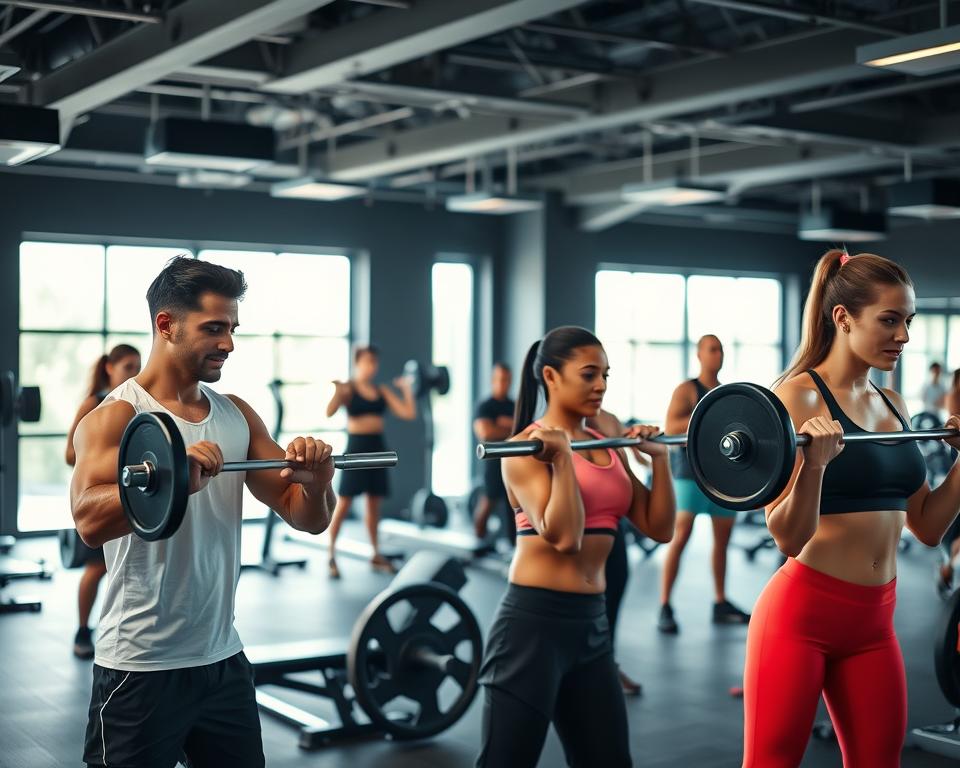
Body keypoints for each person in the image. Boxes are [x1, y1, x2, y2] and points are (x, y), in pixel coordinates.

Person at [70, 256, 339, 768]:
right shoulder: (118, 417)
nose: (229, 343)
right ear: (166, 325)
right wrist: (171, 481)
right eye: (214, 328)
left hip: (223, 660)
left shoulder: (235, 413)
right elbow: (87, 520)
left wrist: (318, 482)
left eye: (232, 328)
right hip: (140, 665)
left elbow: (307, 516)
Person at [741, 249, 960, 767]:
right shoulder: (796, 398)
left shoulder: (894, 405)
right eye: (889, 320)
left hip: (874, 625)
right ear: (843, 318)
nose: (903, 336)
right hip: (800, 618)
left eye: (908, 321)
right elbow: (787, 537)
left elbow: (927, 526)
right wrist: (814, 465)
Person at [476, 326, 676, 768]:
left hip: (591, 626)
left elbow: (659, 527)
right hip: (532, 627)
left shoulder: (608, 445)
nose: (600, 385)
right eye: (589, 375)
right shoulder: (522, 450)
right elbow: (565, 538)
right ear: (551, 376)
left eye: (606, 375)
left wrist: (660, 461)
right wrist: (563, 459)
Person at [658, 335, 750, 634]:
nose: (717, 354)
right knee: (681, 536)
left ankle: (720, 601)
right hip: (689, 473)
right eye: (711, 349)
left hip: (721, 476)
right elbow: (671, 427)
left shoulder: (725, 392)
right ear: (699, 355)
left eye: (720, 349)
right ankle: (665, 604)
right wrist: (707, 415)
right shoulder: (687, 389)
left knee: (722, 541)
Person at [65, 343, 141, 659]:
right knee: (96, 568)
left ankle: (115, 629)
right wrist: (108, 459)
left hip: (129, 497)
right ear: (109, 367)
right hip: (99, 496)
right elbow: (70, 454)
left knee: (120, 569)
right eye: (128, 367)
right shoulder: (95, 403)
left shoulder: (137, 406)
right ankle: (83, 630)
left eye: (138, 368)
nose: (134, 374)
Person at [325, 344, 416, 577]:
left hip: (377, 447)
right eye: (367, 361)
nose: (371, 366)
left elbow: (408, 413)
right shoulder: (348, 388)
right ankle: (331, 553)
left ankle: (375, 554)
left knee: (374, 504)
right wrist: (338, 392)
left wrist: (406, 389)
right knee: (344, 503)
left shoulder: (381, 390)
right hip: (356, 448)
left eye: (374, 362)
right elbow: (329, 412)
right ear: (357, 363)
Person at [588, 408, 650, 697]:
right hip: (578, 526)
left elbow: (625, 467)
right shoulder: (548, 426)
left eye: (604, 382)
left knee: (614, 590)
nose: (599, 387)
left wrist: (653, 454)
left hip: (613, 523)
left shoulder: (610, 420)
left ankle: (606, 664)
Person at [472, 362, 516, 543]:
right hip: (493, 464)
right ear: (493, 380)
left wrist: (501, 425)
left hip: (513, 464)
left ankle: (513, 545)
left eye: (506, 379)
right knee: (488, 502)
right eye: (499, 379)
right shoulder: (485, 406)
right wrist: (510, 428)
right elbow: (485, 433)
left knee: (513, 507)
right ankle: (478, 542)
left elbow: (525, 431)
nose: (503, 383)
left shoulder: (514, 406)